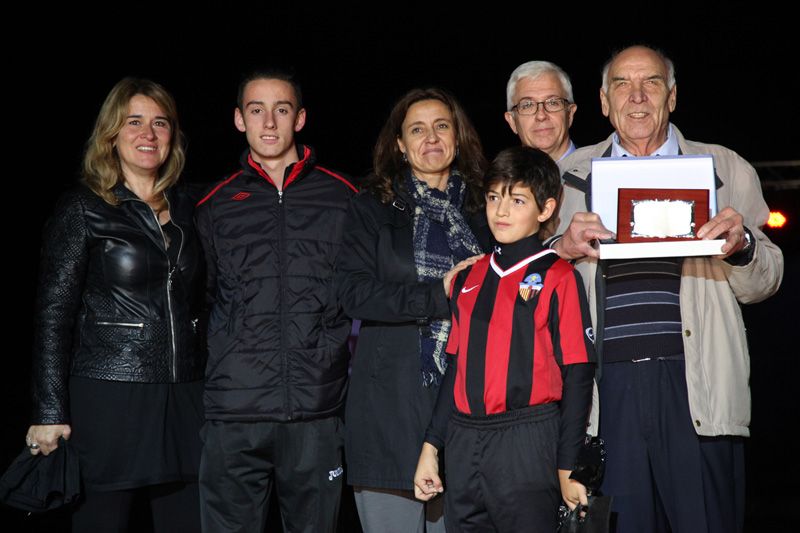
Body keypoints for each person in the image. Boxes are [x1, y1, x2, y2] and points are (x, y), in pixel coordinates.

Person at [554, 45, 784, 533]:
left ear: (672, 96)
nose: (637, 97)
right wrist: (564, 249)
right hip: (605, 393)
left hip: (697, 386)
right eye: (622, 84)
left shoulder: (724, 166)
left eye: (651, 83)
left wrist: (740, 248)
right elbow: (535, 284)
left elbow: (766, 280)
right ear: (602, 100)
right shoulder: (568, 177)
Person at [24, 77, 206, 532]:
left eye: (160, 123)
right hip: (109, 396)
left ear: (173, 136)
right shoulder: (83, 208)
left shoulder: (190, 208)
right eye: (134, 122)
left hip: (184, 396)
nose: (148, 133)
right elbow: (53, 317)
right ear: (111, 134)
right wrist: (49, 412)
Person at [195, 69, 357, 533]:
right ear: (238, 119)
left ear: (300, 118)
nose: (269, 122)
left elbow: (358, 293)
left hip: (317, 411)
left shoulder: (344, 197)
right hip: (234, 413)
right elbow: (202, 300)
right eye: (256, 110)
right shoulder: (214, 204)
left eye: (281, 110)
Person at [413, 145, 596, 532]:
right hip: (464, 440)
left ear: (545, 210)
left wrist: (569, 464)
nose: (501, 211)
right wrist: (432, 447)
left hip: (527, 438)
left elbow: (579, 375)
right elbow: (456, 368)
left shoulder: (560, 276)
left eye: (517, 200)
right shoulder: (468, 276)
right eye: (495, 197)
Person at [336, 87, 490, 533]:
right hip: (390, 410)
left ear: (457, 136)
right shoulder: (373, 208)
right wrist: (436, 295)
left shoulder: (484, 208)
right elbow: (353, 293)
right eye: (417, 130)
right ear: (400, 145)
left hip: (466, 408)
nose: (431, 138)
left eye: (442, 126)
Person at [504, 61, 578, 161]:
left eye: (552, 103)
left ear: (570, 114)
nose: (541, 116)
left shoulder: (600, 173)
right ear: (512, 121)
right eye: (527, 105)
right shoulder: (497, 176)